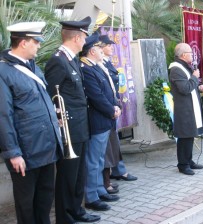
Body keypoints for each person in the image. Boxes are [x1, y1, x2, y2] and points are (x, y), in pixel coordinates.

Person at [0, 21, 63, 224]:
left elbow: (38, 102)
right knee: (26, 206)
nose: (38, 46)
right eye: (36, 42)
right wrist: (13, 153)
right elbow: (3, 116)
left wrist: (54, 117)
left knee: (44, 201)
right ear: (24, 42)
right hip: (26, 152)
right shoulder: (3, 71)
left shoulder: (33, 68)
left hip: (46, 147)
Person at [44, 17, 100, 224]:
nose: (86, 41)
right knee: (68, 175)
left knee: (78, 174)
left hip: (79, 126)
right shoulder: (57, 61)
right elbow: (50, 96)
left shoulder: (72, 60)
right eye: (84, 37)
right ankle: (65, 217)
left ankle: (77, 210)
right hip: (68, 128)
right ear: (77, 37)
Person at [80, 32, 120, 211]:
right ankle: (91, 196)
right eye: (97, 48)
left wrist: (115, 106)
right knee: (93, 160)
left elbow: (108, 91)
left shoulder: (95, 66)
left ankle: (99, 190)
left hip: (105, 119)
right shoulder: (86, 69)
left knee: (98, 159)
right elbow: (96, 96)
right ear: (91, 51)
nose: (101, 51)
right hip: (98, 120)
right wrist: (112, 110)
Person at [99, 34, 138, 181]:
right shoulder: (99, 64)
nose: (111, 47)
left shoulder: (106, 62)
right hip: (107, 109)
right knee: (109, 144)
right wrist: (112, 107)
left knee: (114, 142)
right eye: (108, 45)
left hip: (113, 105)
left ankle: (117, 170)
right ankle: (116, 171)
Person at [169, 43, 203, 175]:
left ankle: (189, 160)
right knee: (184, 136)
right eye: (190, 53)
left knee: (190, 134)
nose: (192, 55)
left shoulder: (185, 67)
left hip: (190, 106)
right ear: (183, 55)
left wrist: (199, 86)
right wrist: (194, 77)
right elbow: (184, 88)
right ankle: (183, 164)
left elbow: (189, 86)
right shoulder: (176, 69)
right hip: (183, 108)